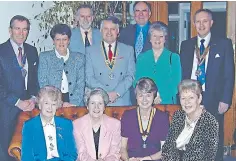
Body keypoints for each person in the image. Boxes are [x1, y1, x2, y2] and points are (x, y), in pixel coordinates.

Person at [180, 9, 235, 161]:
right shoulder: (186, 45)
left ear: (211, 23)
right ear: (194, 24)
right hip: (190, 99)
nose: (201, 24)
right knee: (190, 136)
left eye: (205, 21)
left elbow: (229, 75)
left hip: (214, 98)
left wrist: (225, 99)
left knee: (214, 138)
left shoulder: (223, 44)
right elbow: (183, 74)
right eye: (198, 21)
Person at [0, 15, 39, 161]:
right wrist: (17, 102)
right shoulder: (1, 51)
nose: (21, 33)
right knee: (6, 152)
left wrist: (34, 98)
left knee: (27, 150)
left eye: (25, 29)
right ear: (10, 31)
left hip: (29, 110)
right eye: (17, 29)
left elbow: (35, 81)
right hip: (6, 110)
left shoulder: (32, 51)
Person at [162, 79, 219, 161]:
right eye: (183, 98)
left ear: (199, 98)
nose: (187, 102)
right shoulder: (178, 115)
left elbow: (209, 157)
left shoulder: (210, 122)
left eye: (191, 98)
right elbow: (167, 147)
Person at [86, 16, 135, 106]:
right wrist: (105, 93)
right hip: (99, 101)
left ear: (118, 31)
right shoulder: (90, 51)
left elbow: (131, 75)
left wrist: (116, 93)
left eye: (112, 29)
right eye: (105, 29)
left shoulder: (128, 50)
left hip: (122, 100)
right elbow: (89, 77)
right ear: (100, 30)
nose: (109, 32)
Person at [21, 86, 77, 161]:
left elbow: (72, 154)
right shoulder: (29, 126)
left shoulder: (66, 124)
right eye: (46, 103)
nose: (50, 108)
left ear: (57, 106)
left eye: (53, 104)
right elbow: (27, 157)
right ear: (40, 105)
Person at [121, 78, 169, 161]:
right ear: (136, 97)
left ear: (154, 96)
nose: (144, 100)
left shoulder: (162, 117)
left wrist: (147, 159)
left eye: (148, 95)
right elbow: (122, 147)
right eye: (141, 95)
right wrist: (128, 160)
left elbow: (165, 150)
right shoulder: (128, 116)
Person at [134, 21, 181, 104]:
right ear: (150, 39)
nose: (157, 39)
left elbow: (176, 84)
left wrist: (160, 96)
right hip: (145, 102)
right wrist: (149, 97)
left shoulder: (174, 57)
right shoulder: (142, 58)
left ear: (165, 39)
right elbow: (137, 81)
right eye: (154, 36)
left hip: (167, 102)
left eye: (161, 36)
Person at [38, 24, 85, 106]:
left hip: (75, 103)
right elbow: (43, 83)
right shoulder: (44, 57)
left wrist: (73, 104)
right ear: (53, 41)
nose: (61, 43)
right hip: (51, 102)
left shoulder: (79, 58)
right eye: (58, 39)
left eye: (64, 39)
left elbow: (80, 84)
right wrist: (58, 103)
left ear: (69, 40)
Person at [73, 88, 121, 161]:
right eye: (92, 103)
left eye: (100, 103)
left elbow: (114, 153)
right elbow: (81, 152)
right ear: (87, 106)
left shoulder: (115, 124)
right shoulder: (77, 124)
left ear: (104, 107)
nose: (96, 107)